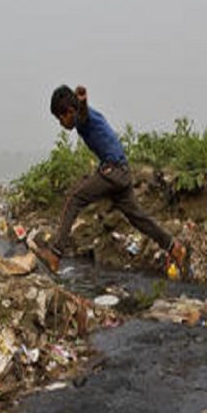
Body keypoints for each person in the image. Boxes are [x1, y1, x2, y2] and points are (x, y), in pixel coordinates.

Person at [31, 84, 188, 274]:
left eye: (60, 118)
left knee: (74, 198)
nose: (61, 123)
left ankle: (55, 255)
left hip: (113, 171)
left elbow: (83, 114)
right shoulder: (87, 117)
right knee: (138, 218)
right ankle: (174, 247)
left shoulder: (83, 118)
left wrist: (83, 102)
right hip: (122, 172)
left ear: (69, 112)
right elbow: (82, 114)